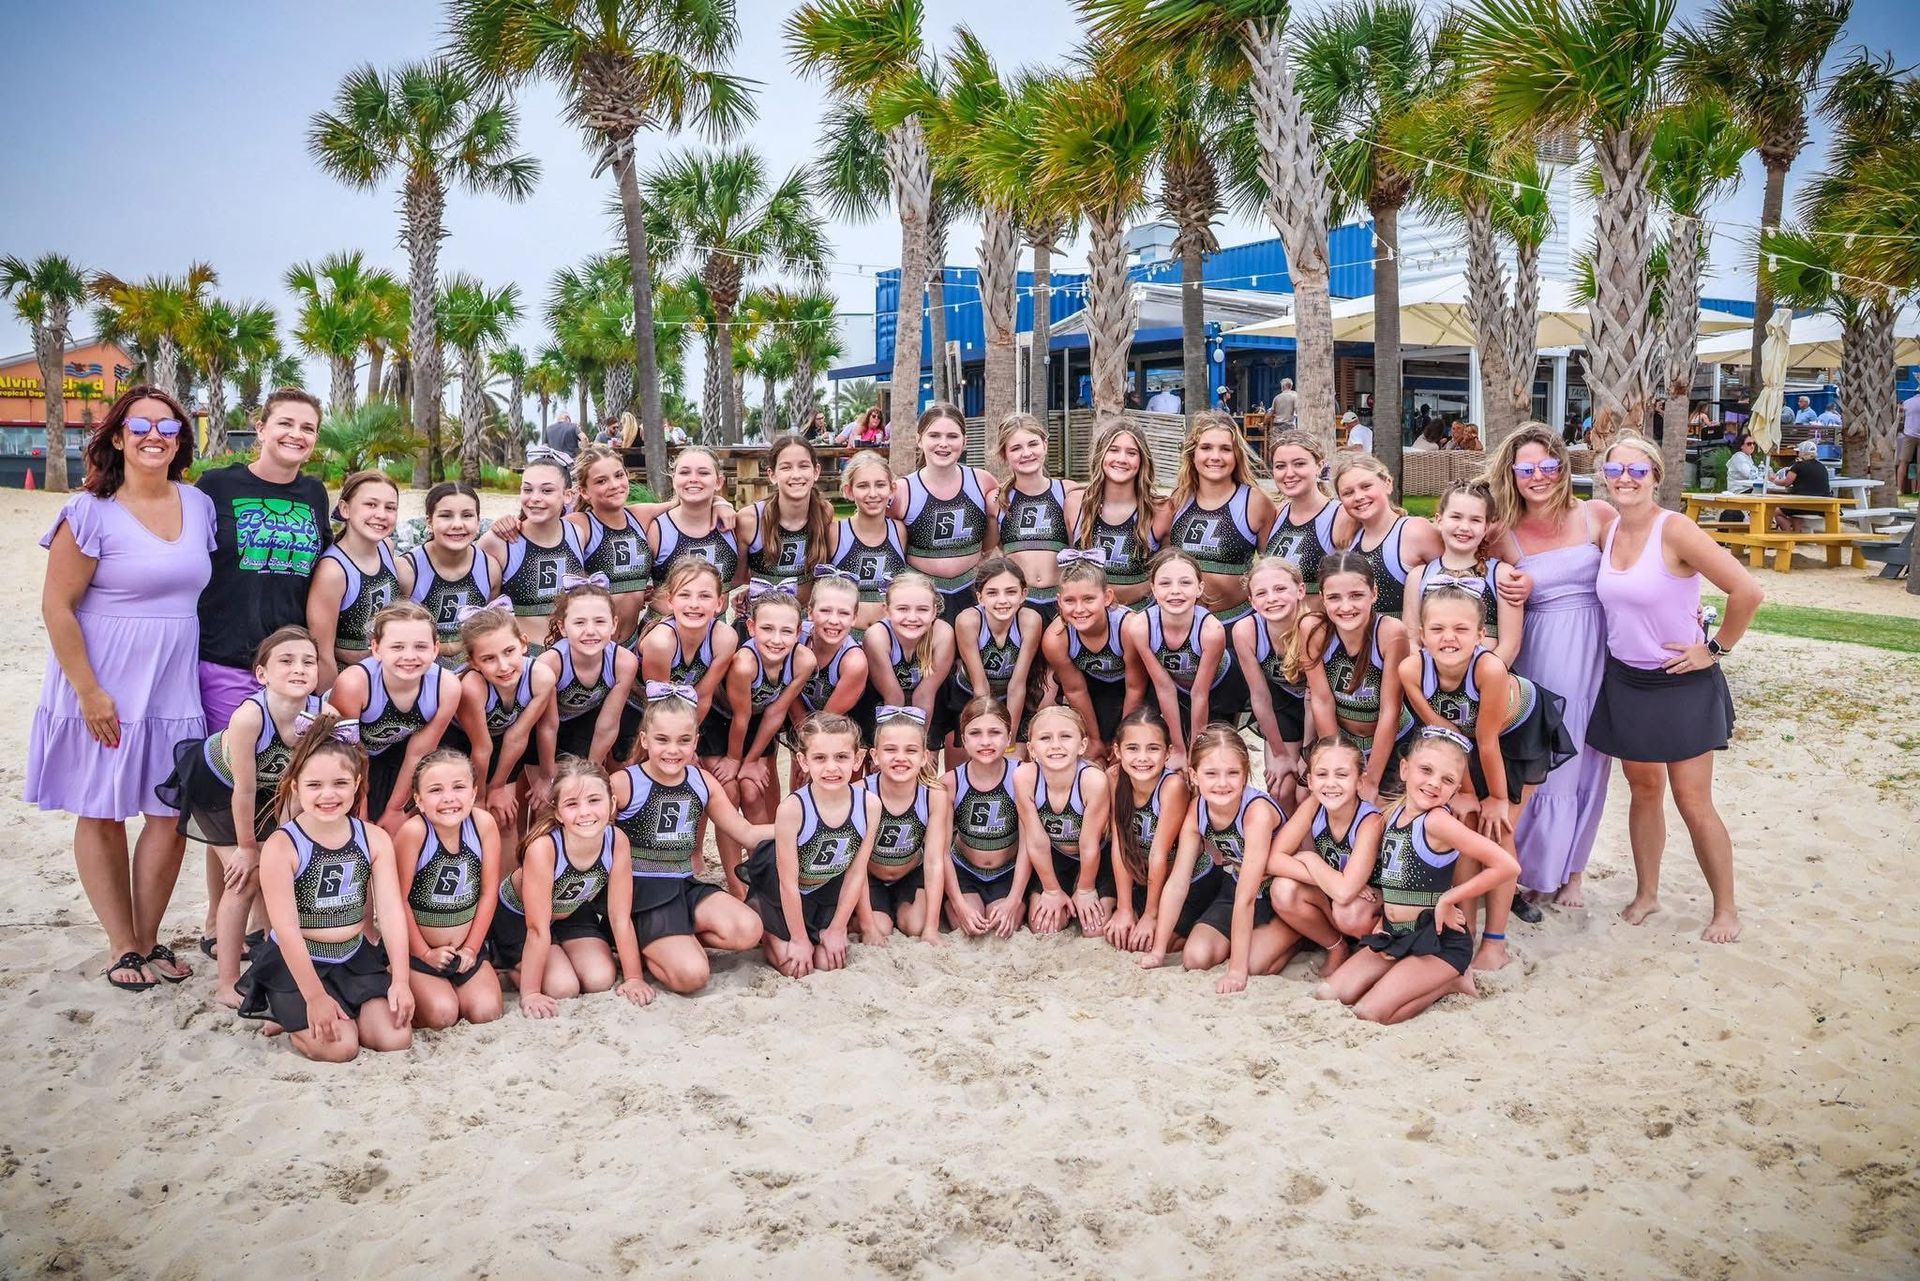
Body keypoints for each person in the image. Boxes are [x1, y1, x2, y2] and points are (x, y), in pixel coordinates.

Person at [30, 385, 215, 991]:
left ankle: (151, 936)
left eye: (167, 426)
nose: (154, 436)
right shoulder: (88, 512)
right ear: (117, 437)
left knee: (167, 814)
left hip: (173, 686)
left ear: (181, 440)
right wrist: (89, 692)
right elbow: (58, 607)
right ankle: (123, 945)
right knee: (104, 810)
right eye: (140, 426)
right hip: (103, 682)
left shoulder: (199, 506)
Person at [1589, 434, 1761, 944]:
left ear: (1656, 478)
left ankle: (1725, 909)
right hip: (1626, 679)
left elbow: (1748, 591)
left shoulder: (1677, 530)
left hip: (1680, 681)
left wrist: (1715, 649)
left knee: (1692, 800)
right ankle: (1647, 894)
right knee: (1643, 791)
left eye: (1637, 471)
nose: (1625, 478)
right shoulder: (1607, 529)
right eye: (1615, 469)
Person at [193, 387, 329, 960]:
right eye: (286, 424)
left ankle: (228, 923)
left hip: (289, 667)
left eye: (308, 428)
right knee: (232, 791)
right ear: (261, 425)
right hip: (225, 659)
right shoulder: (217, 487)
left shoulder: (314, 493)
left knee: (276, 790)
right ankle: (231, 923)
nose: (297, 435)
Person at [156, 626, 328, 1004]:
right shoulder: (250, 717)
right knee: (246, 876)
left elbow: (298, 785)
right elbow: (243, 791)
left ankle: (272, 955)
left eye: (308, 661)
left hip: (272, 788)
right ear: (262, 674)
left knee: (280, 870)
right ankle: (226, 981)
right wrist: (248, 849)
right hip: (217, 787)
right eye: (286, 661)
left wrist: (285, 842)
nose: (299, 668)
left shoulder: (322, 714)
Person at [1485, 423, 1616, 910]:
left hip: (1596, 652)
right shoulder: (1502, 533)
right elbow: (1464, 573)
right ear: (1513, 474)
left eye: (1547, 465)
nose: (1538, 476)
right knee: (1542, 764)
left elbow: (1633, 568)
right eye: (1527, 468)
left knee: (1588, 763)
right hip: (1539, 651)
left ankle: (1574, 872)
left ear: (1562, 467)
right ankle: (1534, 871)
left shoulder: (1597, 515)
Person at [233, 718, 415, 1059]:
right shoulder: (282, 845)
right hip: (297, 962)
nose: (328, 795)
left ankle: (333, 1009)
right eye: (314, 784)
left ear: (357, 784)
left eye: (340, 783)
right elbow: (286, 930)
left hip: (353, 956)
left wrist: (401, 981)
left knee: (395, 1038)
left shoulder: (373, 838)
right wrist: (315, 999)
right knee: (340, 1048)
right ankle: (290, 1017)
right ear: (295, 786)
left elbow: (389, 914)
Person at [1312, 728, 1519, 1023]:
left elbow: (1507, 866)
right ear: (1405, 769)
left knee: (1369, 1013)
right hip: (1394, 935)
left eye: (1447, 780)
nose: (1434, 783)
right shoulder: (1391, 813)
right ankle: (1420, 978)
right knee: (1327, 994)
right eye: (1426, 770)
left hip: (1437, 942)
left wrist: (1450, 898)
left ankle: (1447, 981)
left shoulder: (1437, 821)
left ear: (1456, 788)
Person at [613, 686, 770, 994]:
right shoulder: (625, 782)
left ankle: (675, 939)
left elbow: (745, 832)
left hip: (685, 885)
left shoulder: (701, 781)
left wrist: (799, 824)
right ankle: (650, 940)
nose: (673, 750)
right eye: (662, 740)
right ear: (645, 739)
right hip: (645, 893)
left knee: (749, 929)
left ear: (696, 741)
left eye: (684, 741)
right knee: (693, 977)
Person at [488, 756, 653, 1015]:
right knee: (562, 987)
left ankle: (561, 951)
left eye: (594, 800)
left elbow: (620, 917)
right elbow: (537, 928)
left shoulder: (616, 840)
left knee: (600, 978)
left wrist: (633, 977)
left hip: (571, 910)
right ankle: (508, 962)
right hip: (520, 919)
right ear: (558, 813)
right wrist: (530, 993)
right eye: (572, 804)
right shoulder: (544, 848)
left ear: (611, 804)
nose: (585, 812)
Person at [746, 712, 880, 978]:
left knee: (829, 962)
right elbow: (787, 883)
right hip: (783, 893)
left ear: (858, 759)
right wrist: (798, 939)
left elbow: (856, 873)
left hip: (823, 888)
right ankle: (768, 929)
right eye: (820, 758)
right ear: (803, 762)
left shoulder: (869, 805)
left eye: (841, 757)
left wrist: (838, 928)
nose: (831, 767)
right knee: (796, 967)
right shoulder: (792, 809)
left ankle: (817, 930)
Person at [394, 750, 506, 1030]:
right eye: (435, 790)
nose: (449, 798)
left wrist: (471, 948)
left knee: (487, 1011)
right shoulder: (414, 833)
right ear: (418, 800)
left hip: (465, 949)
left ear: (473, 792)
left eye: (459, 787)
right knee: (442, 1015)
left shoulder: (483, 825)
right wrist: (423, 953)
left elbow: (488, 893)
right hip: (419, 951)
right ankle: (402, 977)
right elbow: (398, 902)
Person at [1157, 410, 1276, 626]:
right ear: (1193, 454)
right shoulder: (1177, 501)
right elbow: (1163, 564)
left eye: (1225, 449)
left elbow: (1273, 570)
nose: (1215, 457)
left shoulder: (1256, 502)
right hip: (1182, 626)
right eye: (1206, 448)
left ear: (1236, 455)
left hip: (1238, 624)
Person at [891, 402, 998, 622]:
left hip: (971, 589)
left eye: (952, 436)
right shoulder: (902, 491)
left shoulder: (983, 482)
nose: (943, 444)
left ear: (964, 441)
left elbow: (992, 533)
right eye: (934, 436)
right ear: (919, 440)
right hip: (921, 597)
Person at [1016, 705, 1113, 936]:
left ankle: (1087, 891)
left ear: (1082, 745)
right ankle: (1056, 892)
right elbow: (1037, 841)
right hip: (1055, 857)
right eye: (1045, 738)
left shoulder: (1093, 781)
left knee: (1094, 929)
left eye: (1066, 736)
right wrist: (1050, 890)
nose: (1056, 745)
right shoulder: (1024, 777)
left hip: (1095, 858)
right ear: (1031, 749)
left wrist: (1086, 888)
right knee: (1044, 927)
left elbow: (1089, 844)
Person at [858, 707, 950, 942]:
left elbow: (934, 860)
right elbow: (854, 865)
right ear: (875, 756)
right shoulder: (860, 793)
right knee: (880, 928)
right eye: (890, 750)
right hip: (870, 875)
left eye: (911, 750)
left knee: (915, 925)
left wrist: (931, 928)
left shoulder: (933, 795)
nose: (900, 758)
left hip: (910, 872)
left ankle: (917, 917)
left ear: (924, 757)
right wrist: (868, 927)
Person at [1104, 707, 1190, 953]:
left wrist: (1151, 915)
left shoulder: (1172, 786)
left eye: (1153, 748)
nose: (1142, 758)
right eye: (1133, 748)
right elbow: (1120, 845)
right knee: (1110, 929)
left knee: (1147, 942)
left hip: (1178, 883)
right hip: (1143, 878)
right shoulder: (1113, 777)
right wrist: (1124, 908)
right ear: (1117, 751)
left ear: (1168, 753)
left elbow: (1158, 854)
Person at [306, 470, 402, 690]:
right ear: (345, 509)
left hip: (387, 676)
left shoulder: (387, 548)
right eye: (370, 505)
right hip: (348, 682)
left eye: (390, 507)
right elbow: (323, 655)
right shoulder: (333, 571)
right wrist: (332, 712)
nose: (381, 514)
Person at [990, 412, 1079, 622]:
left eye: (1033, 444)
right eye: (1016, 448)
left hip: (1060, 601)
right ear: (1004, 454)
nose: (1026, 453)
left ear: (1045, 445)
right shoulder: (997, 499)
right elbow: (988, 551)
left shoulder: (1067, 492)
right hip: (1018, 605)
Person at [1066, 418, 1163, 608]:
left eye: (1132, 453)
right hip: (1087, 614)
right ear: (1100, 454)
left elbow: (1167, 573)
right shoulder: (1076, 503)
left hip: (1141, 616)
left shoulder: (1160, 509)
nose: (1122, 459)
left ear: (1142, 459)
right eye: (1113, 450)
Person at [1771, 439, 1832, 530]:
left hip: (1802, 506)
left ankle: (1789, 536)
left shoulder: (1798, 466)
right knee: (1795, 515)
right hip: (1822, 507)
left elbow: (1787, 483)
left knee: (1776, 512)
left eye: (1798, 452)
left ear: (1803, 453)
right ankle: (1797, 536)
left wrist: (1774, 480)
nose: (1797, 454)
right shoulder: (1822, 467)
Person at [1899, 387, 1920, 496]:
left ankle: (1899, 489)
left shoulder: (1907, 403)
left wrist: (1901, 430)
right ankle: (1918, 490)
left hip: (1909, 435)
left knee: (1903, 463)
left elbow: (1901, 420)